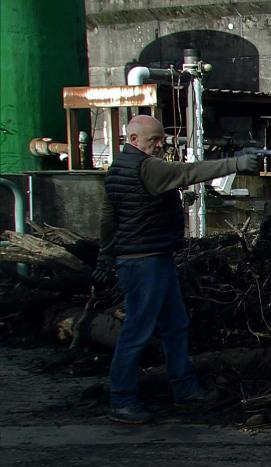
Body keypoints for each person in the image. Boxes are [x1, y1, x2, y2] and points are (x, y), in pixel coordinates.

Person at [94, 115, 259, 423]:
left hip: (149, 258)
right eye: (154, 140)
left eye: (162, 139)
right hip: (145, 261)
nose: (160, 145)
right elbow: (187, 172)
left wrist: (106, 254)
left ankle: (184, 389)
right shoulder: (146, 166)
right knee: (137, 331)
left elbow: (108, 216)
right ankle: (122, 400)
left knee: (175, 325)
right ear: (133, 139)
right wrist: (235, 164)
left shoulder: (118, 168)